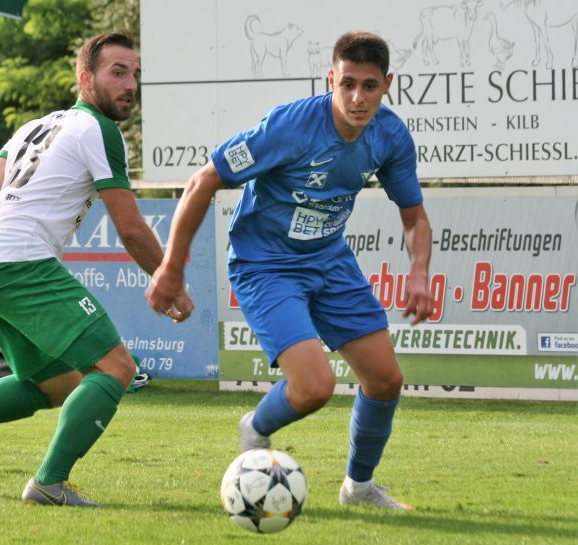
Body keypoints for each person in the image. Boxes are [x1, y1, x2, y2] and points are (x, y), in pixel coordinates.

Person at [147, 31, 433, 510]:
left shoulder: (389, 135)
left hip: (329, 260)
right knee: (315, 387)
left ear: (387, 84)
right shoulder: (289, 126)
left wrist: (419, 272)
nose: (357, 98)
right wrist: (172, 266)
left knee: (385, 379)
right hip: (266, 266)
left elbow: (414, 216)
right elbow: (203, 181)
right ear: (330, 80)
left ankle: (359, 489)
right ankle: (255, 428)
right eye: (347, 85)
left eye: (369, 86)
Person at [0, 30, 192, 506]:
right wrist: (170, 278)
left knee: (55, 384)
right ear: (86, 78)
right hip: (21, 264)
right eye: (117, 72)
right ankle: (48, 483)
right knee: (118, 368)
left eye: (135, 74)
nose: (130, 85)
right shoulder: (99, 130)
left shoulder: (33, 127)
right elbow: (130, 228)